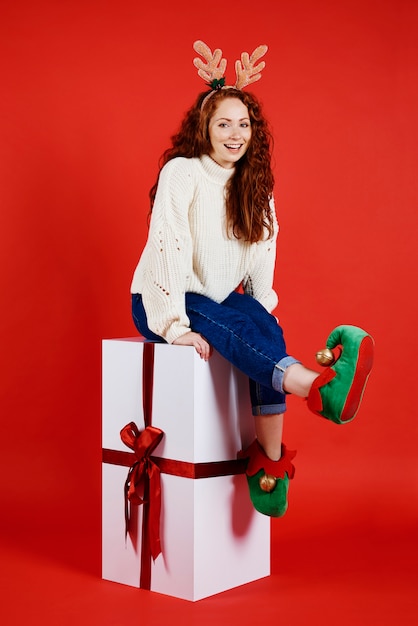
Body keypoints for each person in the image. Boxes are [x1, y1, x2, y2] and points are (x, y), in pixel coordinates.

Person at [130, 41, 374, 518]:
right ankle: (317, 389)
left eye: (243, 124)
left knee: (262, 328)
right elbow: (169, 246)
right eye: (224, 123)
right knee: (233, 327)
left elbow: (263, 252)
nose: (235, 134)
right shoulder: (183, 172)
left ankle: (269, 465)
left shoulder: (255, 185)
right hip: (163, 297)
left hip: (217, 299)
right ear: (204, 129)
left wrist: (263, 313)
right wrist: (174, 326)